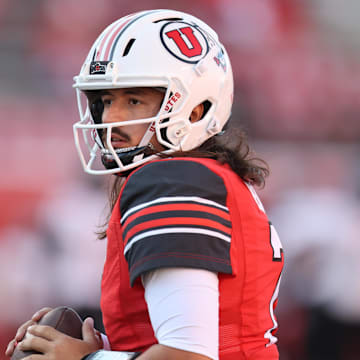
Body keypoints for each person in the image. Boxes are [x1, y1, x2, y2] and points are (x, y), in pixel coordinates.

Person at [6, 9, 284, 360]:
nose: (111, 119)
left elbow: (188, 355)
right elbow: (208, 337)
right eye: (106, 101)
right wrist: (103, 348)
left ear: (194, 109)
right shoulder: (208, 176)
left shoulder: (170, 181)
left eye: (133, 101)